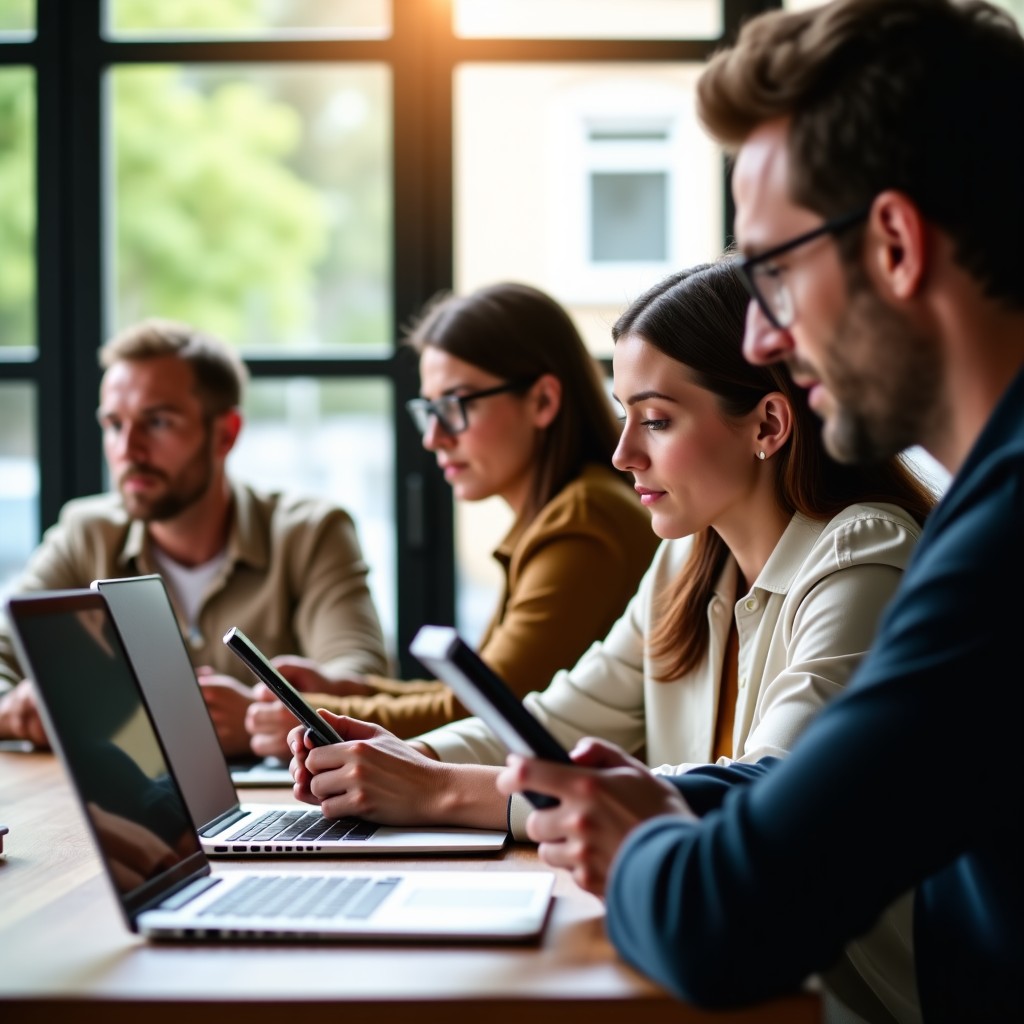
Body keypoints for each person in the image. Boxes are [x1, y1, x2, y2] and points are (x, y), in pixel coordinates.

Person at [496, 2, 1024, 1022]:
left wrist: (638, 838)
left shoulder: (997, 544)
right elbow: (855, 796)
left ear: (895, 245)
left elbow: (723, 920)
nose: (758, 338)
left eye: (772, 270)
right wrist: (677, 806)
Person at [284, 261, 931, 869]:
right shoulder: (687, 560)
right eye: (625, 416)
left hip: (836, 983)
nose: (623, 453)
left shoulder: (861, 554)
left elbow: (768, 793)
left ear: (767, 424)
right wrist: (403, 756)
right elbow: (552, 721)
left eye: (655, 420)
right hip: (725, 945)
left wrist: (442, 790)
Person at [245, 282, 660, 758]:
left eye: (456, 405)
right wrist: (347, 692)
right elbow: (478, 697)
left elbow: (488, 711)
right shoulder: (562, 514)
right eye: (429, 410)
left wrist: (300, 715)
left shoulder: (586, 521)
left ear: (543, 401)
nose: (433, 437)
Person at [0, 318, 389, 756]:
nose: (127, 450)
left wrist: (259, 723)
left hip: (283, 803)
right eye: (113, 425)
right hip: (136, 800)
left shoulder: (310, 532)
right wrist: (15, 710)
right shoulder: (85, 532)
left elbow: (361, 679)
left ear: (225, 433)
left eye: (158, 422)